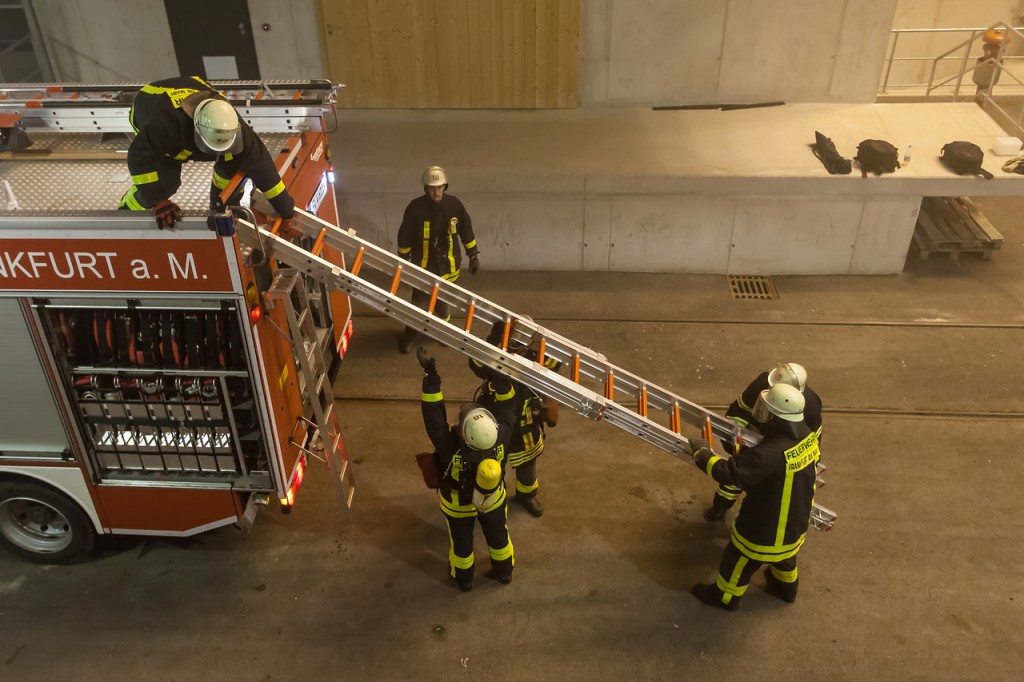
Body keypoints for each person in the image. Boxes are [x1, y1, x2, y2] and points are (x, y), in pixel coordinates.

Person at [690, 383, 820, 611]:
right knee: (785, 559)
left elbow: (729, 473)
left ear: (777, 416)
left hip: (762, 532)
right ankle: (786, 590)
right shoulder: (808, 438)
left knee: (737, 561)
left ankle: (724, 598)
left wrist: (703, 455)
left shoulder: (767, 455)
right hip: (795, 526)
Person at [118, 75, 298, 235]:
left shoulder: (232, 124)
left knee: (233, 159)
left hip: (188, 95)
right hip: (149, 103)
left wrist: (287, 210)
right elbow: (138, 158)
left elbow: (265, 171)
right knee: (166, 182)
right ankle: (127, 208)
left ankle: (222, 209)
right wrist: (158, 201)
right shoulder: (164, 125)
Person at [417, 346, 517, 592]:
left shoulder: (451, 447)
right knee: (498, 537)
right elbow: (508, 408)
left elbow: (434, 419)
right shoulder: (501, 437)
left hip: (458, 505)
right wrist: (501, 382)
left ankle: (464, 579)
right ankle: (504, 572)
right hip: (492, 500)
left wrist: (432, 380)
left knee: (461, 544)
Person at [704, 362, 822, 523]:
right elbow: (738, 411)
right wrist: (734, 439)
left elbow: (814, 439)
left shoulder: (811, 406)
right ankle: (720, 507)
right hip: (750, 442)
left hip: (777, 452)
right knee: (733, 481)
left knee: (755, 484)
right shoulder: (763, 383)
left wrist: (810, 463)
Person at [469, 319, 561, 517]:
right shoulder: (494, 354)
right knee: (494, 462)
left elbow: (555, 364)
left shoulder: (533, 356)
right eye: (511, 338)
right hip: (497, 420)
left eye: (519, 338)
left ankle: (527, 496)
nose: (514, 343)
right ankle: (494, 497)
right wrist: (493, 342)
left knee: (527, 463)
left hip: (525, 420)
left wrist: (541, 345)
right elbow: (476, 364)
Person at [396, 166, 480, 353]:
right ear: (426, 189)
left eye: (440, 187)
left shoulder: (454, 205)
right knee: (419, 305)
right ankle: (411, 335)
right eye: (432, 188)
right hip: (424, 267)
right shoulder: (415, 208)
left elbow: (466, 231)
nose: (436, 192)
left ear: (445, 186)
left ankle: (443, 332)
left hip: (449, 266)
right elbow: (405, 235)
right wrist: (404, 260)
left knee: (444, 304)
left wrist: (473, 255)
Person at [973, 30, 1009, 105]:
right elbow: (987, 57)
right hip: (988, 65)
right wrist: (987, 52)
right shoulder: (989, 47)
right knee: (983, 86)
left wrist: (988, 53)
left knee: (986, 86)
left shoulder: (998, 48)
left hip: (992, 65)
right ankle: (980, 101)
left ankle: (982, 101)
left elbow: (993, 56)